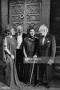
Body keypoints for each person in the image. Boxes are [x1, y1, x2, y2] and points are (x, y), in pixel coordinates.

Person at [3, 24, 22, 89]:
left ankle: (14, 80)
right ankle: (10, 82)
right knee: (10, 67)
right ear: (9, 31)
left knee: (13, 67)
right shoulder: (6, 38)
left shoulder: (14, 38)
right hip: (9, 55)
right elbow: (5, 48)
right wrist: (11, 54)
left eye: (14, 30)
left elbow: (17, 46)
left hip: (14, 55)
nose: (14, 31)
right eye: (13, 30)